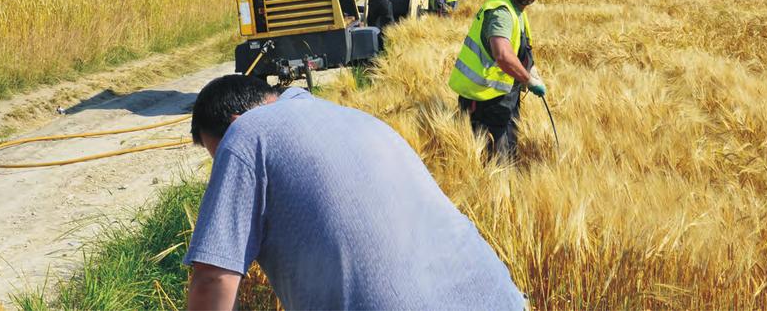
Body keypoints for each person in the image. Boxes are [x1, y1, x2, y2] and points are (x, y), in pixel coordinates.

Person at [183, 75, 527, 310]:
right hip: (500, 297)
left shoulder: (246, 132)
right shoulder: (351, 118)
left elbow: (213, 279)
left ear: (235, 119)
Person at [448, 0, 549, 160]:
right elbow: (502, 54)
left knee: (507, 154)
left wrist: (531, 70)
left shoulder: (517, 10)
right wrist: (528, 80)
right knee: (495, 160)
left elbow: (521, 49)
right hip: (485, 101)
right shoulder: (501, 12)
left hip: (502, 99)